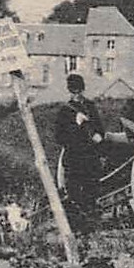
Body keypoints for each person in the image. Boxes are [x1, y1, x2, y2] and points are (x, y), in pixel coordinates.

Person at [53, 73, 107, 233]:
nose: (77, 95)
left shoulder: (90, 106)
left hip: (91, 158)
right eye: (74, 92)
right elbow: (60, 137)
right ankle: (75, 228)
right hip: (74, 158)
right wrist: (76, 125)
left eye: (79, 91)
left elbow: (100, 129)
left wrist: (99, 135)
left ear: (83, 90)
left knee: (92, 192)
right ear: (70, 91)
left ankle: (91, 227)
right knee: (74, 194)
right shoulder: (65, 111)